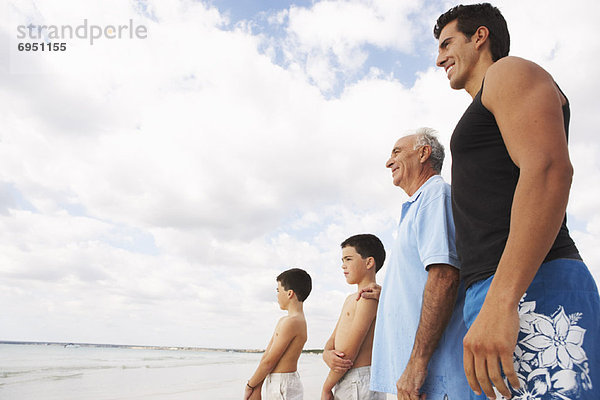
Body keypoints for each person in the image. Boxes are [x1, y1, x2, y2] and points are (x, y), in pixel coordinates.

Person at [434, 3, 600, 399]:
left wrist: (501, 301)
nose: (439, 58)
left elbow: (548, 170)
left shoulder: (509, 72)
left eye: (446, 44)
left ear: (480, 36)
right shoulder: (486, 103)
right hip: (498, 291)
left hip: (532, 286)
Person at [362, 128, 470, 400]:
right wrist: (389, 295)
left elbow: (444, 278)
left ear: (423, 153)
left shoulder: (435, 196)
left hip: (433, 376)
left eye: (397, 152)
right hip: (420, 378)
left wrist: (417, 365)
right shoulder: (419, 205)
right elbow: (424, 281)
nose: (388, 162)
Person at [321, 234, 387, 400]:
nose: (343, 266)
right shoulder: (350, 299)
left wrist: (326, 387)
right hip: (346, 379)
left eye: (348, 259)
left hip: (359, 381)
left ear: (369, 262)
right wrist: (326, 354)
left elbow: (349, 354)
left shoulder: (369, 297)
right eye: (342, 260)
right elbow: (331, 342)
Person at [244, 268, 312, 400]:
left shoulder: (292, 322)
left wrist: (250, 385)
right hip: (277, 382)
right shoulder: (285, 320)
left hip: (283, 385)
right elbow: (266, 358)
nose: (277, 295)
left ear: (289, 293)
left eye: (278, 290)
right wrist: (257, 387)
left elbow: (269, 362)